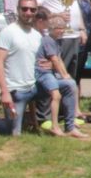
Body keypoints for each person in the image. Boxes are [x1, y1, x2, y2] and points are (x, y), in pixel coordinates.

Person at [0, 0, 45, 136]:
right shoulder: (7, 32)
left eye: (32, 9)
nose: (28, 12)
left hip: (34, 87)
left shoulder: (37, 35)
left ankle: (51, 122)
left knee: (66, 86)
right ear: (18, 10)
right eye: (24, 9)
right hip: (15, 91)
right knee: (13, 133)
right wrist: (5, 92)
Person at [32, 10, 87, 138]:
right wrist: (63, 75)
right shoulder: (48, 40)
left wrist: (66, 75)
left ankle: (70, 126)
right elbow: (54, 60)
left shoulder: (56, 41)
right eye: (59, 28)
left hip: (50, 73)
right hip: (43, 74)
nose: (62, 31)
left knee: (71, 84)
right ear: (51, 29)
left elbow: (59, 59)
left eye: (63, 28)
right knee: (56, 95)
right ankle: (55, 126)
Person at [66, 0, 91, 94]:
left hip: (84, 38)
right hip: (69, 37)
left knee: (78, 74)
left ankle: (76, 104)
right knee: (68, 74)